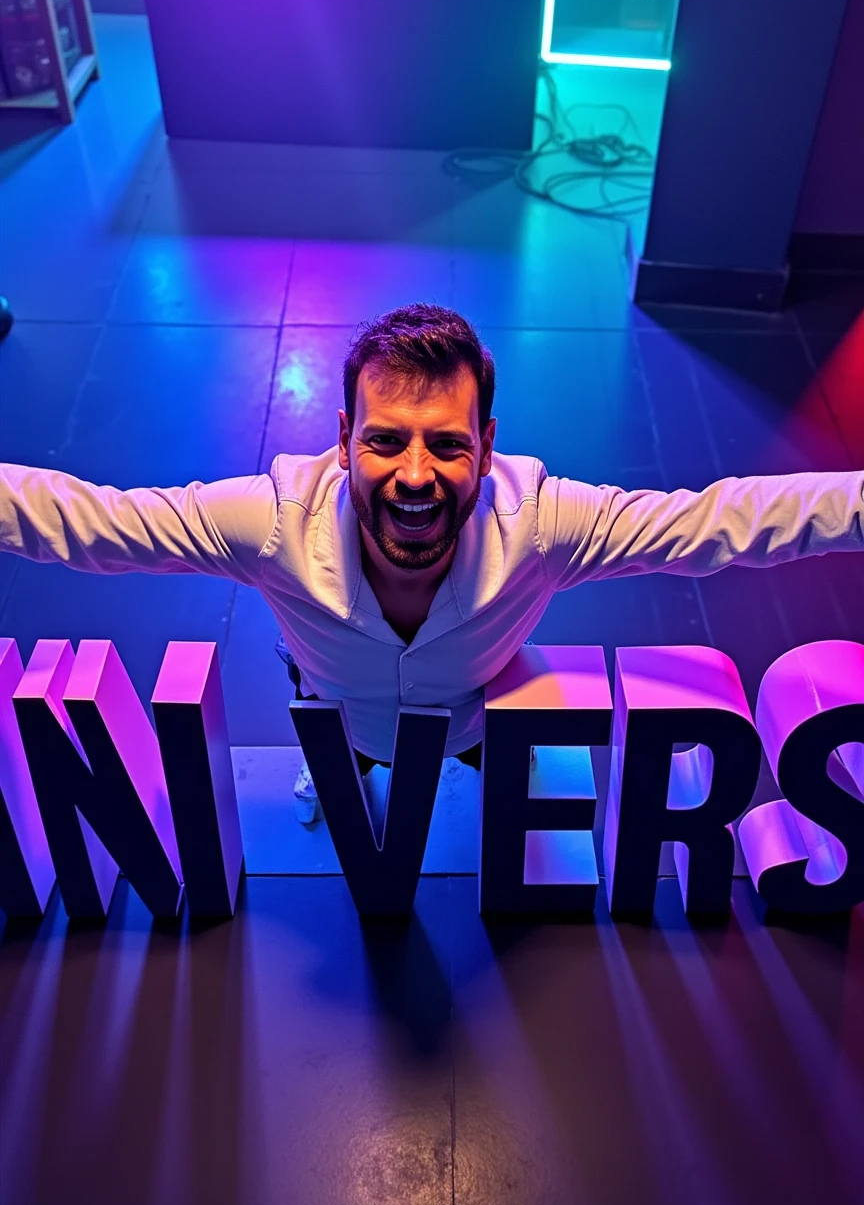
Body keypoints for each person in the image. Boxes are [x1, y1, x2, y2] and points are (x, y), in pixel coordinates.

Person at [1, 304, 862, 822]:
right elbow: (94, 523)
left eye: (446, 444)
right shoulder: (267, 523)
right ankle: (340, 765)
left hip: (481, 717)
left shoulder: (546, 524)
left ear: (486, 450)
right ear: (342, 441)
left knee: (508, 796)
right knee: (345, 755)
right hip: (334, 706)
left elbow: (717, 524)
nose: (415, 474)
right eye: (384, 440)